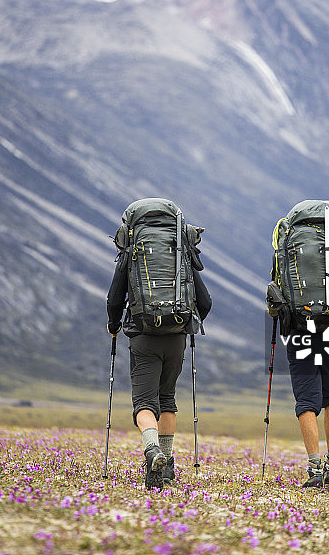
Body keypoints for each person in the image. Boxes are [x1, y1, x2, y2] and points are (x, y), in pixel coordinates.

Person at [107, 200, 211, 490]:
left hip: (143, 335)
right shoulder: (181, 250)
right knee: (167, 399)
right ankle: (167, 464)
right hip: (177, 335)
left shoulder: (133, 249)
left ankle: (152, 451)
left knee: (144, 403)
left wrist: (114, 325)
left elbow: (115, 298)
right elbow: (205, 302)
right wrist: (187, 322)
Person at [267, 201, 329, 490]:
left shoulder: (285, 248)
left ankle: (314, 468)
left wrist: (277, 312)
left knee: (306, 400)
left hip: (299, 330)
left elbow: (275, 298)